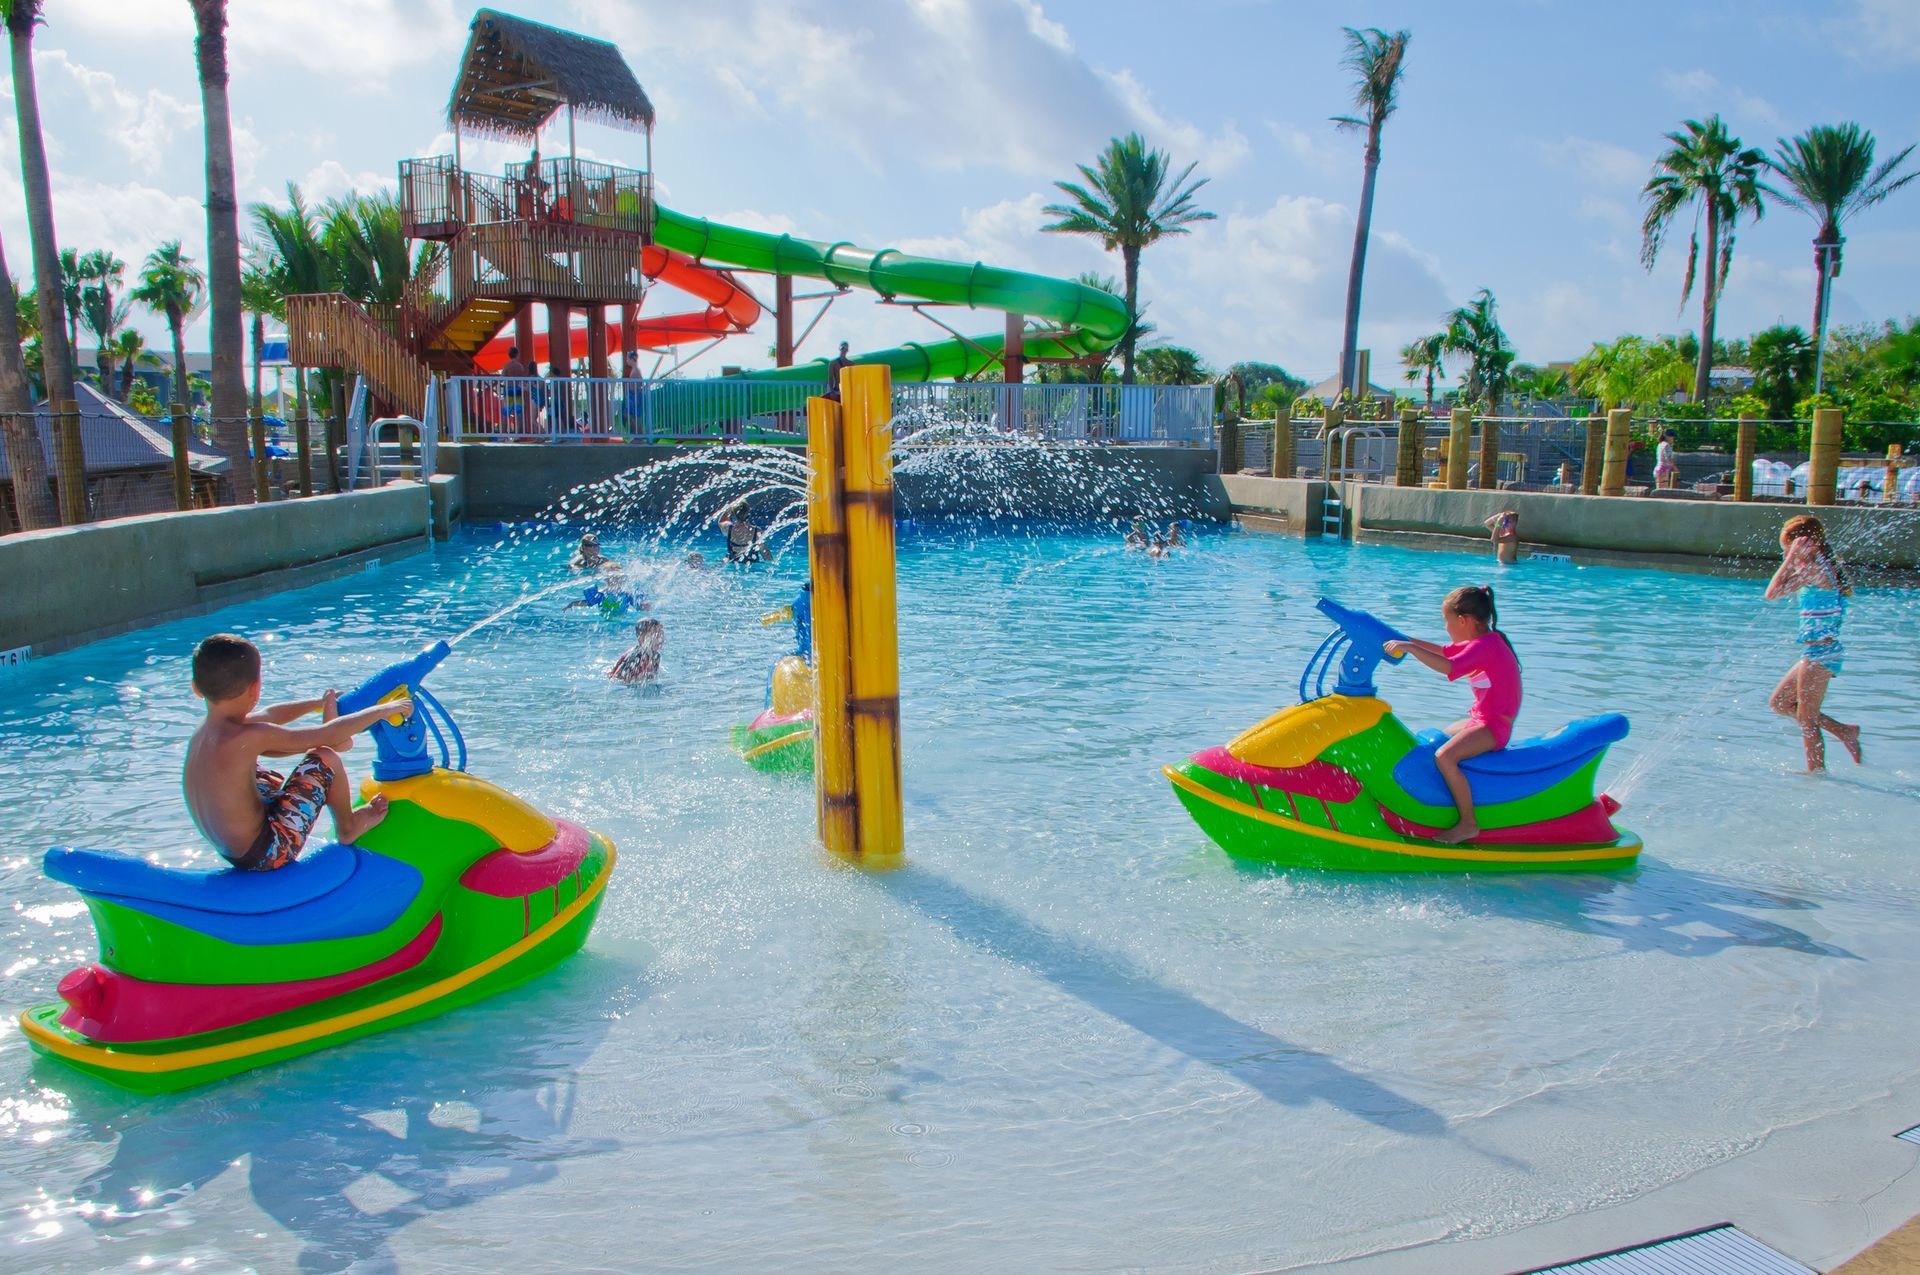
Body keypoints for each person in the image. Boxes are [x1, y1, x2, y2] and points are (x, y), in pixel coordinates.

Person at [184, 633, 408, 871]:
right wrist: (383, 710)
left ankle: (338, 741)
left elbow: (270, 715)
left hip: (232, 848)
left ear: (196, 688)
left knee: (264, 758)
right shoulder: (247, 736)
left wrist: (318, 703)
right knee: (325, 757)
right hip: (268, 853)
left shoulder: (208, 730)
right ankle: (348, 826)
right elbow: (324, 736)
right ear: (255, 688)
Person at [1382, 585, 1521, 844]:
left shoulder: (1486, 646)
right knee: (1436, 739)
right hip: (1480, 719)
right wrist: (1406, 640)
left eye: (1446, 621)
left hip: (1494, 726)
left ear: (1463, 620)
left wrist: (1410, 649)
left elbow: (1449, 666)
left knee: (1445, 757)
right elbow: (1445, 652)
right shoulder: (1482, 641)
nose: (1446, 627)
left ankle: (1468, 823)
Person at [1764, 514, 1861, 771]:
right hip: (1814, 652)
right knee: (1780, 703)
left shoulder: (1816, 570)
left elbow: (1771, 592)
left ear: (1809, 545)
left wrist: (1791, 559)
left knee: (1807, 722)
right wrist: (1793, 557)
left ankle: (1816, 775)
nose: (1786, 555)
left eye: (1789, 549)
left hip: (1822, 653)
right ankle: (1843, 731)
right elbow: (1775, 593)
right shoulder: (1809, 570)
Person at [567, 569, 646, 617]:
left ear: (622, 582)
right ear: (607, 581)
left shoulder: (626, 595)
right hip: (605, 616)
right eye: (612, 580)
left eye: (617, 580)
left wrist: (648, 606)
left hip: (620, 617)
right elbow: (588, 602)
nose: (615, 582)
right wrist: (573, 604)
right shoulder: (601, 594)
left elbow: (639, 606)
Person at [609, 618, 664, 685]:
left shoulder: (655, 656)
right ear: (642, 638)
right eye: (655, 635)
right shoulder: (637, 657)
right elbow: (620, 679)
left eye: (661, 633)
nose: (661, 638)